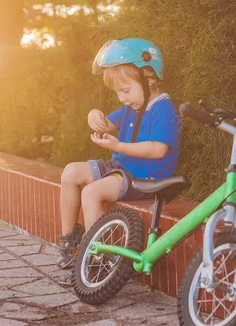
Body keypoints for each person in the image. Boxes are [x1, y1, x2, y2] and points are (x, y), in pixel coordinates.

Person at [56, 38, 182, 285]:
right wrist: (94, 116)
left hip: (145, 177)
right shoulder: (133, 107)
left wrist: (118, 146)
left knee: (92, 193)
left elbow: (157, 150)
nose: (122, 98)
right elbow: (106, 123)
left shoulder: (163, 108)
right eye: (117, 92)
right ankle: (71, 243)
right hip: (122, 169)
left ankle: (96, 260)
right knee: (70, 172)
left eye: (126, 90)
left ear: (149, 78)